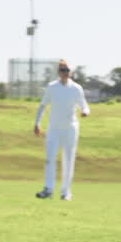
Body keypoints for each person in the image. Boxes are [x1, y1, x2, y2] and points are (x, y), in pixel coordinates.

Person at [33, 59, 89, 201]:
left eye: (67, 70)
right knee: (50, 159)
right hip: (54, 129)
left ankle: (65, 192)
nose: (65, 73)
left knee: (68, 160)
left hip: (70, 129)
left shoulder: (76, 88)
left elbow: (84, 105)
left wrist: (85, 112)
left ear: (70, 72)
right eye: (62, 70)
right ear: (59, 72)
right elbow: (43, 105)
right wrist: (37, 123)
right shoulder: (52, 87)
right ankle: (48, 189)